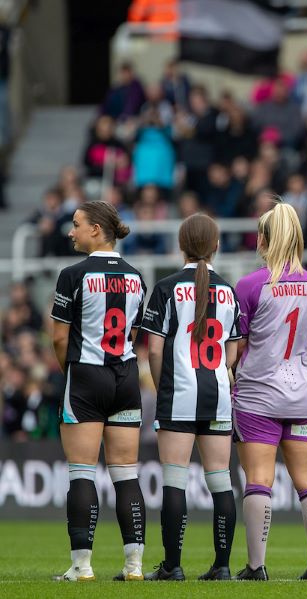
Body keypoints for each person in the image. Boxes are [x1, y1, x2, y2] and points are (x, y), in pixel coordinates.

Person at [50, 201, 147, 581]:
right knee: (126, 475)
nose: (70, 231)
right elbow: (132, 334)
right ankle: (134, 566)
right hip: (125, 378)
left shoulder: (72, 275)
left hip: (86, 377)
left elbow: (59, 338)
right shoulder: (137, 276)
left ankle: (82, 567)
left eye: (76, 225)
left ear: (96, 230)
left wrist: (71, 371)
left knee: (82, 474)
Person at [232, 203, 307, 581]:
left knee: (259, 478)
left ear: (266, 240)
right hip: (303, 392)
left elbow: (239, 345)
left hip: (258, 394)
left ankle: (256, 567)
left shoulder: (250, 285)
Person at [143, 214, 242, 581]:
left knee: (175, 480)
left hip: (179, 395)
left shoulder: (167, 288)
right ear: (216, 246)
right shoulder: (228, 291)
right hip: (218, 396)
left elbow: (154, 352)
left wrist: (161, 386)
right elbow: (232, 355)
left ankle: (172, 565)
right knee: (221, 481)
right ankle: (222, 566)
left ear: (181, 245)